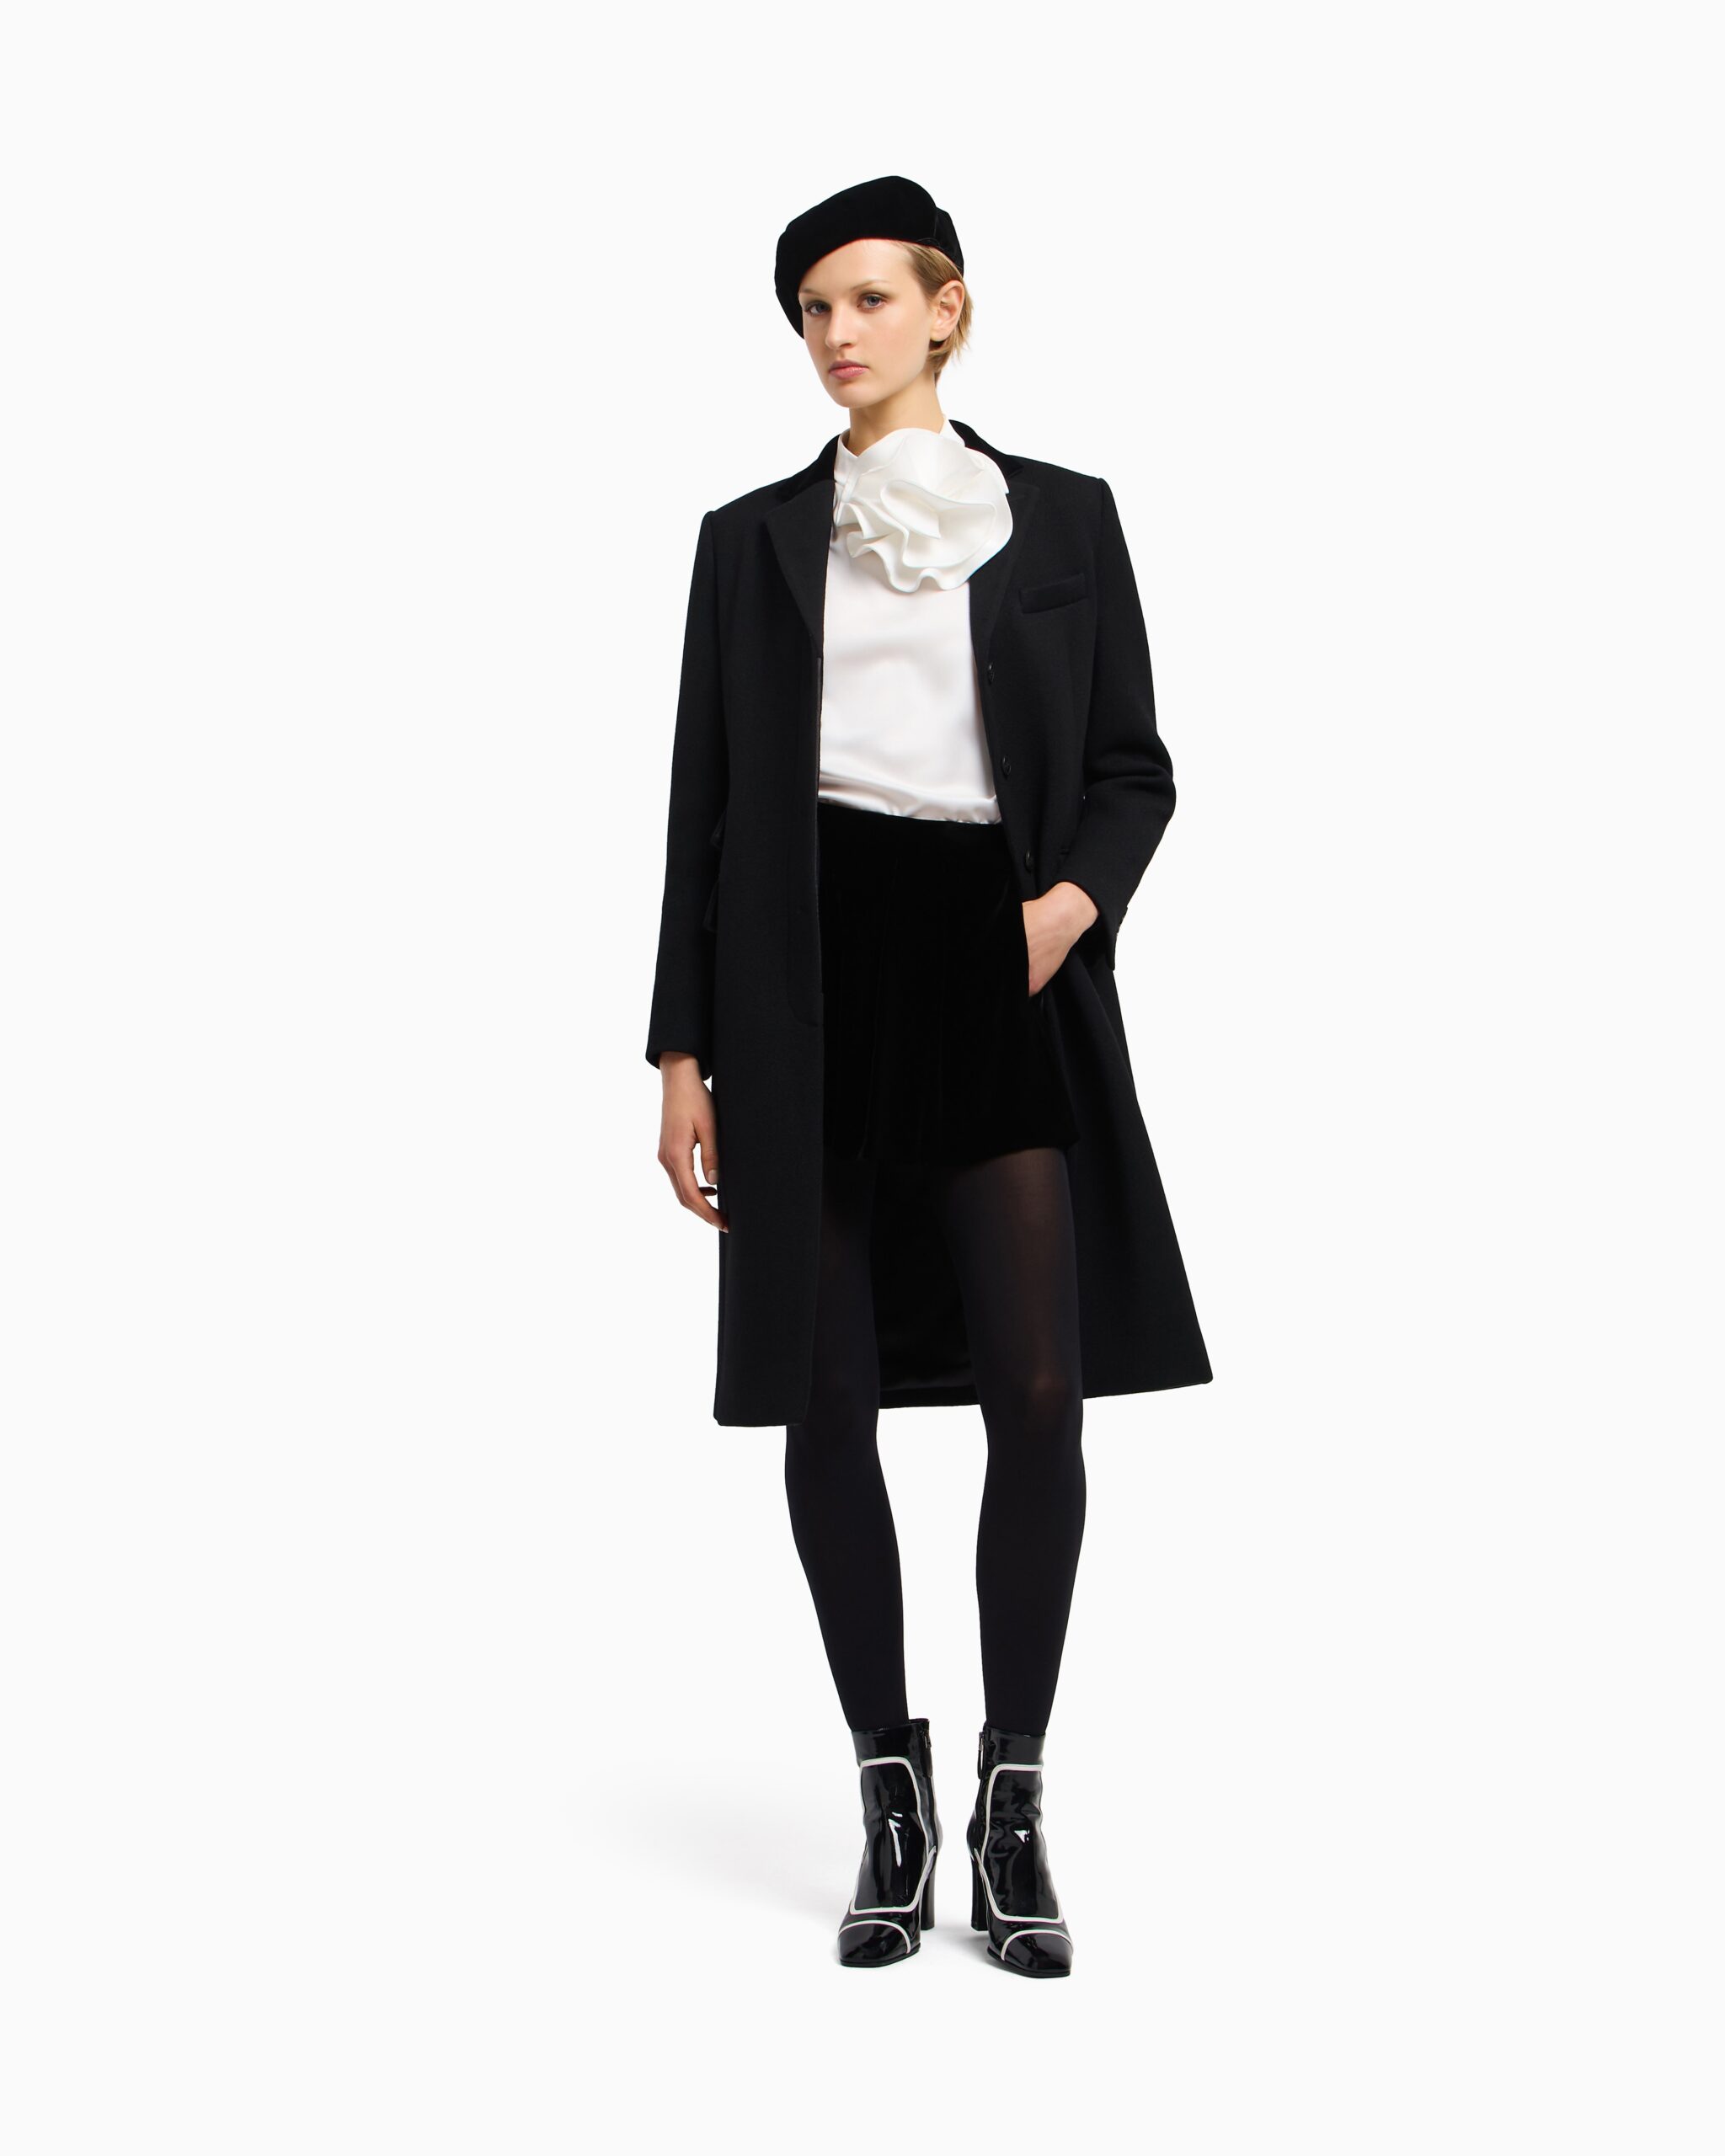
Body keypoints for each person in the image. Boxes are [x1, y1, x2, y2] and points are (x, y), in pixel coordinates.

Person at [646, 175, 1210, 1977]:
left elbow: (1131, 767)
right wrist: (679, 1048)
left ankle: (1011, 1796)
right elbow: (703, 804)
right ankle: (888, 1793)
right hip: (800, 970)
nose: (836, 333)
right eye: (812, 309)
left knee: (1037, 1389)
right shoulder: (748, 541)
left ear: (946, 308)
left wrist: (1059, 912)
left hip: (991, 950)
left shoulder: (1066, 517)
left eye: (868, 299)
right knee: (828, 1402)